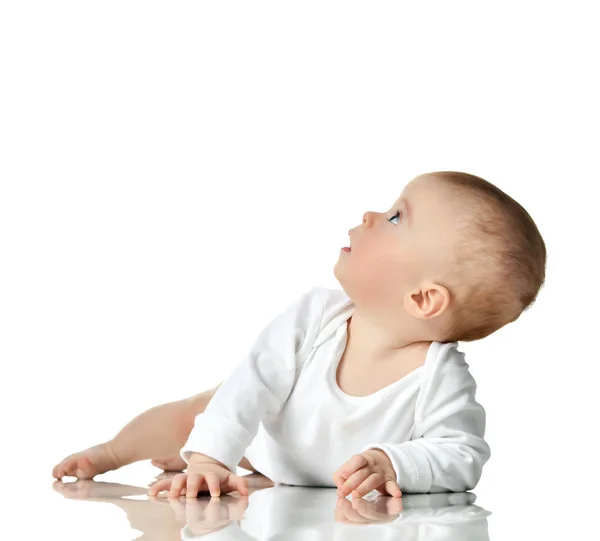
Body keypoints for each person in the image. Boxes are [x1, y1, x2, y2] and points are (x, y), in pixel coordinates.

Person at [52, 171, 547, 500]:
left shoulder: (440, 376)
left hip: (287, 471)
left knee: (223, 437)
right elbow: (252, 384)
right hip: (264, 437)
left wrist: (397, 462)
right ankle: (111, 453)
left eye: (397, 218)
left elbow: (463, 453)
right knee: (197, 414)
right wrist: (210, 456)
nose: (372, 216)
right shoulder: (317, 316)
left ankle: (210, 453)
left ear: (422, 299)